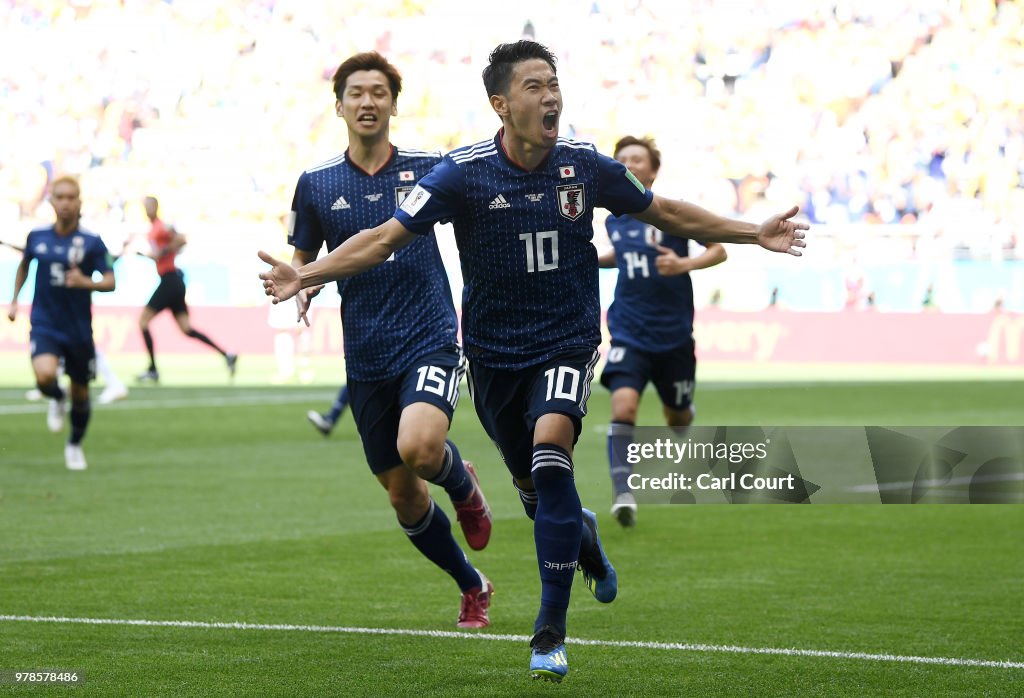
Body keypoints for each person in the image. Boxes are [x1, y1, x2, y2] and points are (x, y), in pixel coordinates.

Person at [259, 40, 807, 682]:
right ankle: (587, 544)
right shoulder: (460, 174)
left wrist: (752, 232)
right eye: (534, 87)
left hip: (568, 343)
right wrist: (312, 273)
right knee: (536, 490)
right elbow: (383, 239)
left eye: (554, 84)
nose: (551, 97)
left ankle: (549, 633)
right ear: (500, 103)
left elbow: (665, 210)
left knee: (551, 457)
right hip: (493, 356)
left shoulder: (586, 165)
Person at [286, 51, 494, 628]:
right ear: (339, 106)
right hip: (367, 352)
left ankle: (464, 486)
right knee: (403, 493)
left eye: (379, 92)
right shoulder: (317, 183)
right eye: (356, 92)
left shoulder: (432, 169)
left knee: (421, 448)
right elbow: (302, 256)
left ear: (394, 104)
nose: (368, 101)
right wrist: (301, 283)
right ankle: (471, 583)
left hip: (429, 334)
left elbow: (481, 218)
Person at [597, 136, 727, 528]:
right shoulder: (614, 218)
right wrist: (590, 259)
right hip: (628, 331)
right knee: (624, 407)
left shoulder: (671, 213)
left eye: (638, 160)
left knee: (678, 419)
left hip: (673, 335)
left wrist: (684, 265)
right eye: (622, 160)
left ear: (653, 170)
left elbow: (718, 249)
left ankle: (683, 407)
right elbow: (623, 256)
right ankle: (623, 492)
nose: (630, 165)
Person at [7, 176, 116, 470]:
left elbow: (110, 281)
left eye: (72, 197)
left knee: (81, 394)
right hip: (45, 323)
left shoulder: (92, 243)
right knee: (44, 377)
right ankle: (56, 397)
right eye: (60, 197)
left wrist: (85, 282)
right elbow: (24, 266)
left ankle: (74, 445)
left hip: (79, 329)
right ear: (52, 202)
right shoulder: (37, 237)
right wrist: (15, 299)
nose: (66, 203)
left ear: (79, 202)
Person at [136, 196, 237, 382]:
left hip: (170, 280)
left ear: (156, 207)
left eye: (148, 206)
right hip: (173, 282)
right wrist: (149, 255)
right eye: (144, 206)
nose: (146, 209)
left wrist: (163, 252)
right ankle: (227, 355)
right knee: (187, 329)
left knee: (143, 322)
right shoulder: (153, 229)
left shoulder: (161, 227)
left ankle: (152, 370)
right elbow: (162, 253)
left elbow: (181, 240)